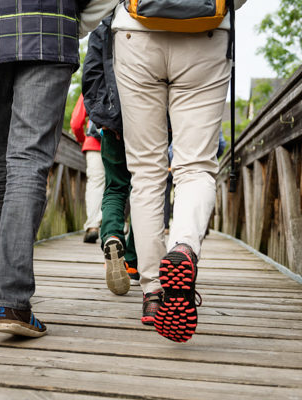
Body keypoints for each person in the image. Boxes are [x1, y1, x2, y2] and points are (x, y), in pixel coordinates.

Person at [0, 0, 117, 338]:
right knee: (27, 160)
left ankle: (7, 286)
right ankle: (11, 298)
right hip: (49, 31)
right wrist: (74, 20)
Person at [112, 0, 247, 341]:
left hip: (135, 34)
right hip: (207, 33)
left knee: (146, 172)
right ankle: (184, 246)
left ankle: (153, 293)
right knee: (196, 166)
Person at [81, 14, 140, 296]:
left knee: (115, 187)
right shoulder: (155, 17)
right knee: (146, 189)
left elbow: (91, 76)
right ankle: (132, 262)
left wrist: (104, 119)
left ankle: (112, 235)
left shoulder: (105, 24)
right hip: (149, 122)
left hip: (113, 122)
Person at [69, 94, 104, 244]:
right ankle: (117, 227)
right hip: (119, 144)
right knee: (118, 184)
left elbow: (76, 123)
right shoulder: (125, 82)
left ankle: (93, 226)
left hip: (94, 143)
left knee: (95, 184)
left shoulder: (91, 86)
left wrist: (83, 139)